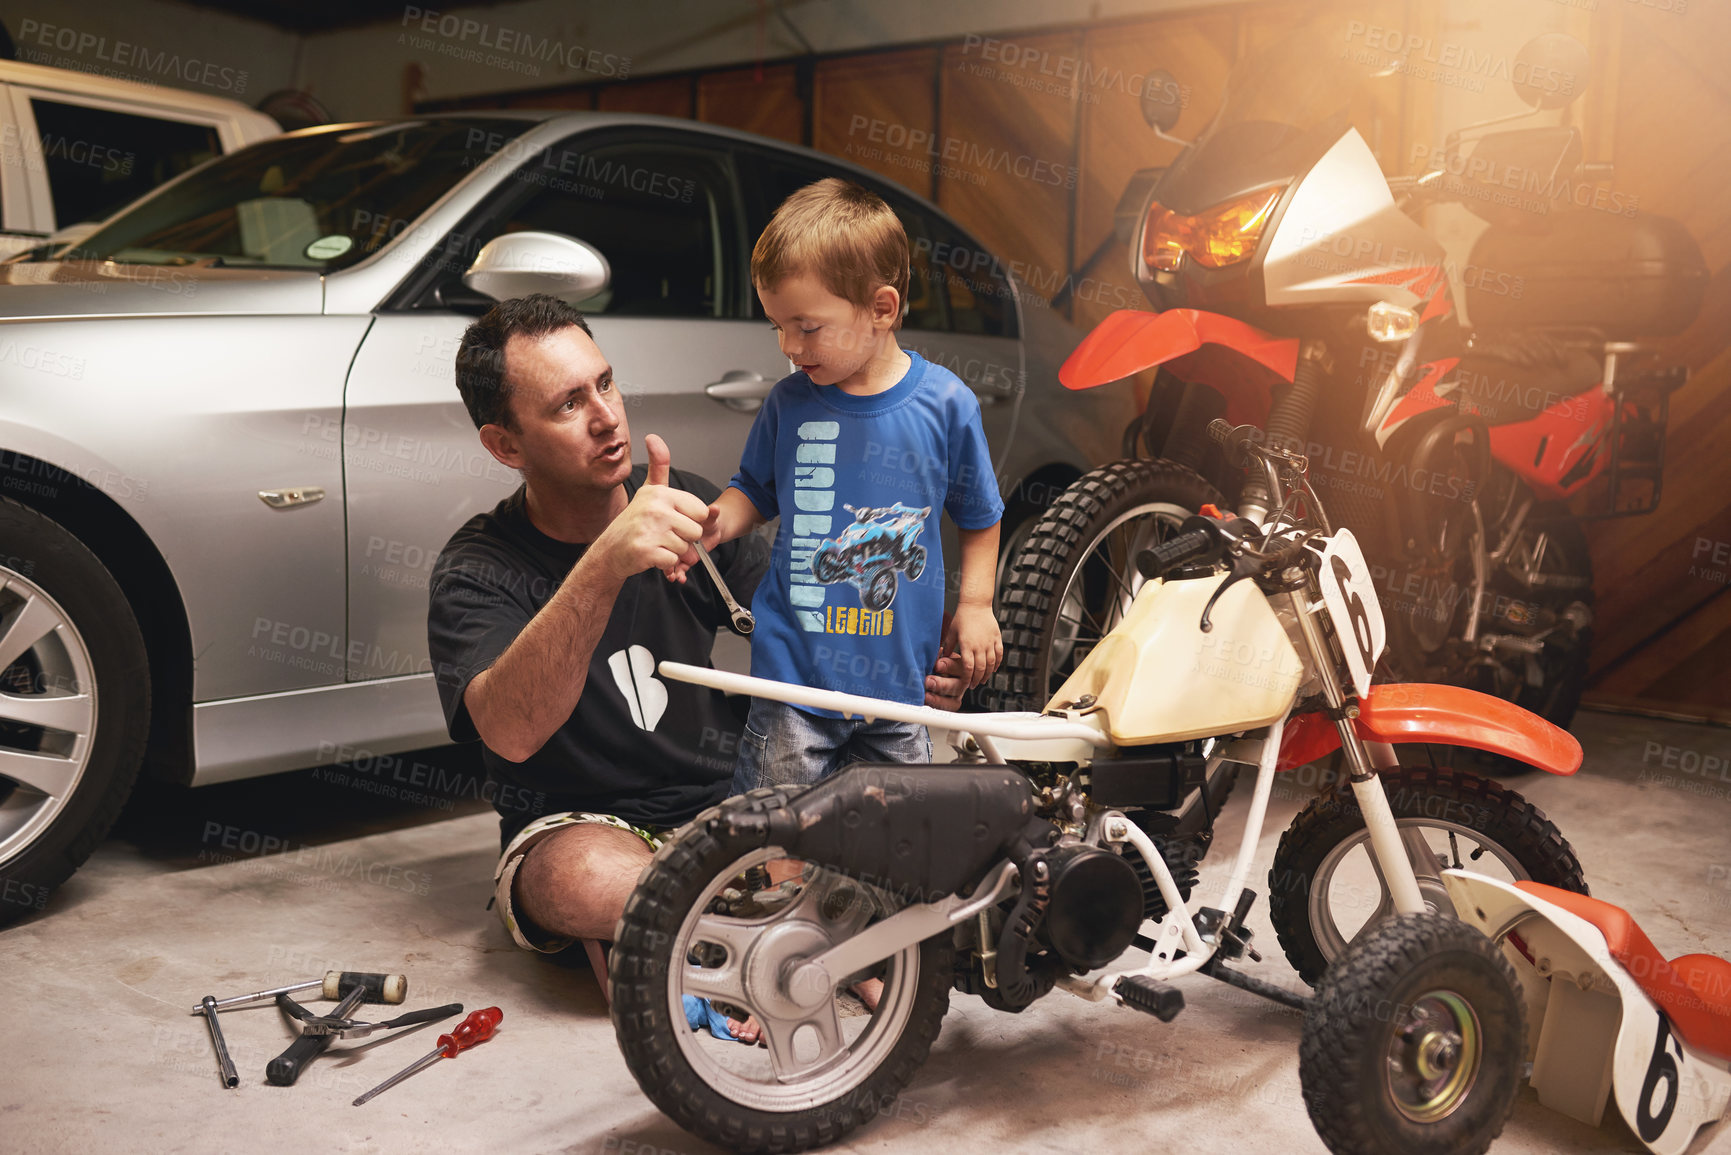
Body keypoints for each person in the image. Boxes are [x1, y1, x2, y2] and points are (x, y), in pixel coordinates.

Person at [424, 294, 969, 1028]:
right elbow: (511, 731)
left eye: (605, 384)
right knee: (572, 877)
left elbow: (810, 630)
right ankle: (780, 917)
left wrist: (910, 664)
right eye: (566, 404)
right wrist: (605, 563)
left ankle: (705, 932)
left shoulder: (685, 505)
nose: (606, 417)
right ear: (506, 445)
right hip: (589, 827)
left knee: (887, 791)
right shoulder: (478, 568)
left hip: (727, 801)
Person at [685, 178, 1006, 795]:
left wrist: (974, 607)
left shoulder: (946, 405)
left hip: (899, 691)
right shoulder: (789, 403)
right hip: (792, 683)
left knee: (891, 851)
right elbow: (754, 486)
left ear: (881, 310)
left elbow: (980, 514)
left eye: (806, 327)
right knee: (779, 833)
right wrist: (717, 521)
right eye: (777, 327)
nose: (788, 346)